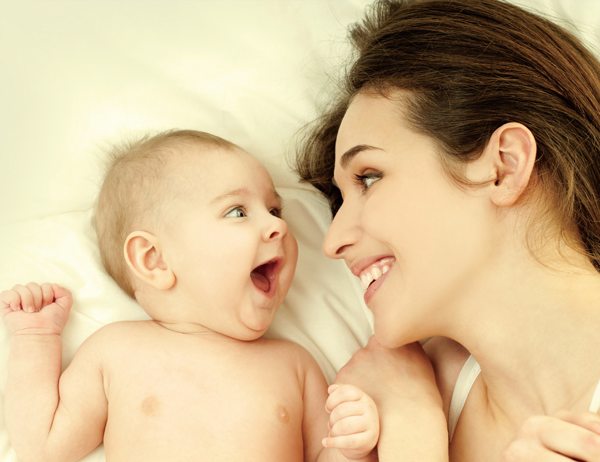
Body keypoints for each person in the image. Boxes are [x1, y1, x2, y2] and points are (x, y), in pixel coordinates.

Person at [294, 0, 600, 460]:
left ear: (504, 167)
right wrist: (411, 430)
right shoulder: (377, 407)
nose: (332, 241)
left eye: (369, 177)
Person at [0, 130, 380, 462]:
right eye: (237, 212)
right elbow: (42, 447)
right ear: (154, 260)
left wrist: (350, 446)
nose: (278, 225)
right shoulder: (116, 351)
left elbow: (322, 455)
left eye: (274, 208)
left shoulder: (296, 366)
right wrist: (35, 338)